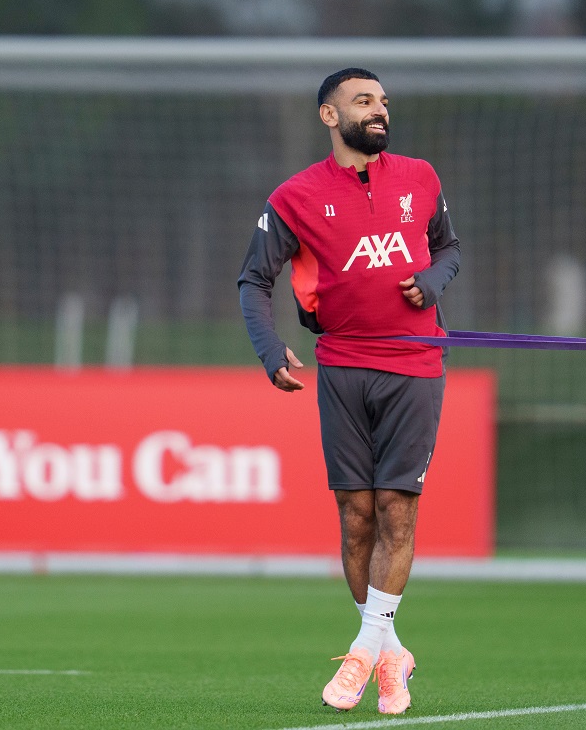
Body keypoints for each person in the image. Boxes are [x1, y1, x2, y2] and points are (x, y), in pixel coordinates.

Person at [237, 68, 460, 715]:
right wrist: (268, 347)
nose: (379, 110)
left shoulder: (420, 178)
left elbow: (449, 250)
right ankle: (392, 655)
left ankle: (363, 651)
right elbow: (254, 280)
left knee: (396, 508)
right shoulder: (295, 197)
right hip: (341, 366)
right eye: (363, 101)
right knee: (356, 515)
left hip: (414, 365)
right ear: (330, 116)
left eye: (383, 101)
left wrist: (432, 282)